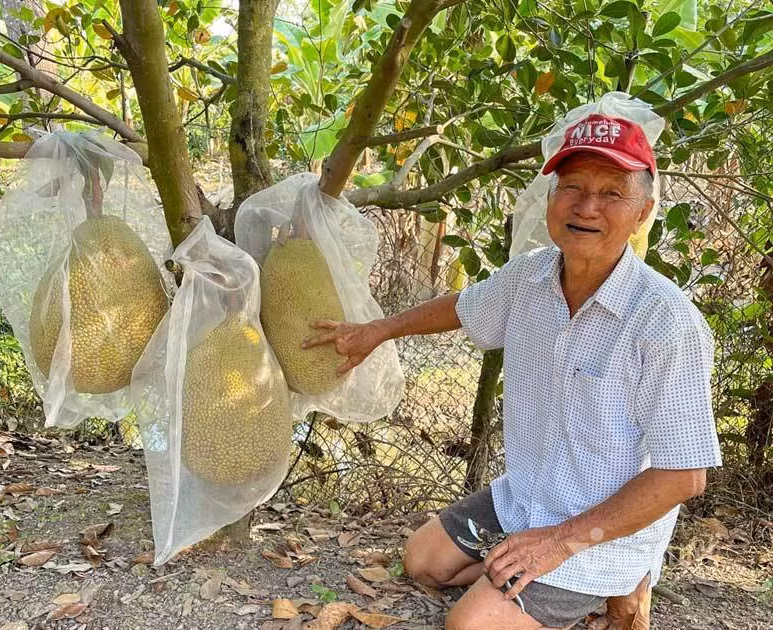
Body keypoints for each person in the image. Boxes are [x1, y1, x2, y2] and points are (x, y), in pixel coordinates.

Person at [302, 113, 722, 629]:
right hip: (528, 495)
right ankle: (525, 575)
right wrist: (377, 330)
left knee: (469, 625)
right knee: (422, 561)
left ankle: (623, 580)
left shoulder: (666, 323)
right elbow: (462, 307)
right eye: (572, 186)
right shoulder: (530, 276)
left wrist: (557, 543)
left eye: (612, 193)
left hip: (601, 530)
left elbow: (684, 476)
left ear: (644, 212)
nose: (586, 206)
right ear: (551, 199)